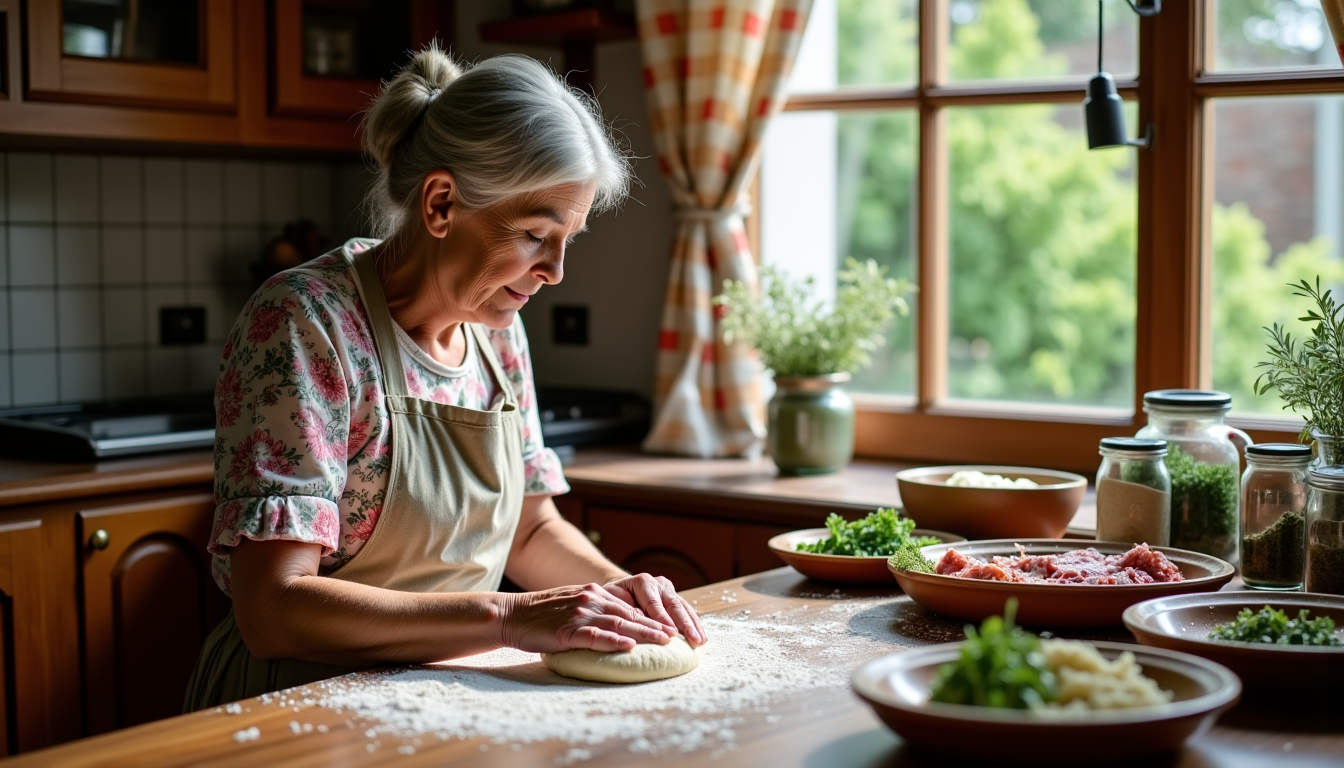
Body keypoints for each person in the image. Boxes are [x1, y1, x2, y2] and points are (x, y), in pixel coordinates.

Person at [185, 46, 705, 709]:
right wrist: (509, 618)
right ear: (439, 204)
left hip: (446, 693)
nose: (556, 271)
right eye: (535, 235)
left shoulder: (495, 328)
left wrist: (619, 592)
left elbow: (531, 529)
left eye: (570, 238)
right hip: (299, 702)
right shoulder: (306, 322)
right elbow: (273, 609)